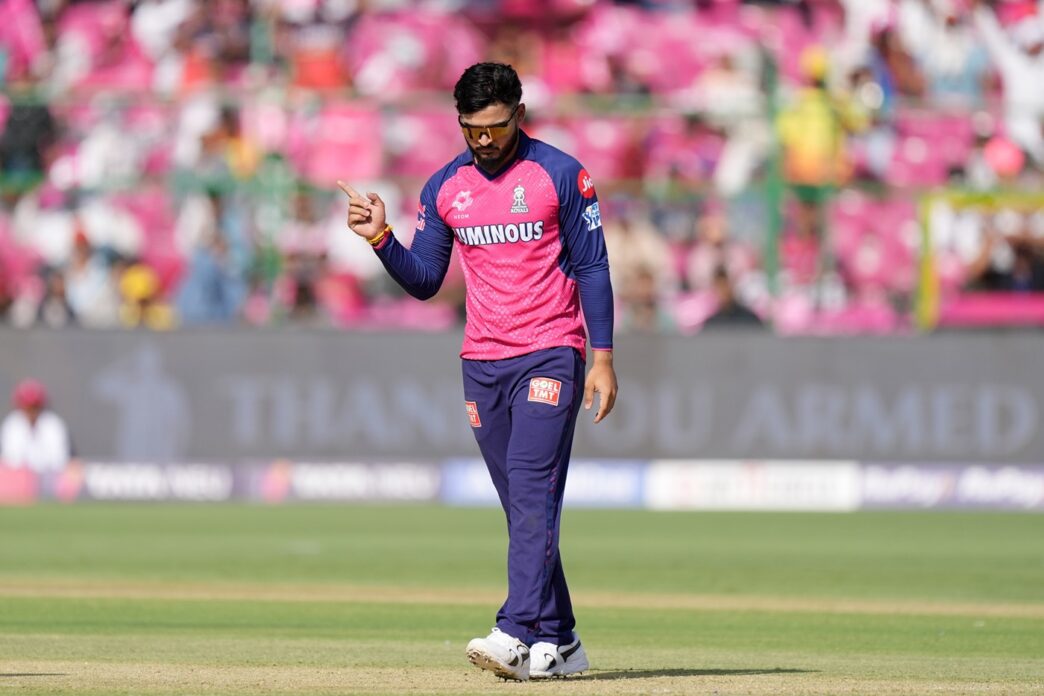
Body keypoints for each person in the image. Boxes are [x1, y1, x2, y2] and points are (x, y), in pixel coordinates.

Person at [337, 62, 617, 682]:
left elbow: (593, 267)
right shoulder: (444, 187)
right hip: (482, 361)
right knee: (524, 506)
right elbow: (425, 280)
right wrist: (381, 238)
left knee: (530, 490)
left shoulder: (560, 174)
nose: (484, 140)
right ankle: (562, 640)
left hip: (550, 349)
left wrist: (601, 357)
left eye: (495, 127)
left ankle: (515, 630)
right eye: (472, 129)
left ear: (519, 113)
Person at [0, 379, 72, 473]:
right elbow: (10, 459)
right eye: (27, 406)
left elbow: (59, 459)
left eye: (35, 406)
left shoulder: (53, 424)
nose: (31, 411)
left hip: (50, 478)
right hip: (18, 478)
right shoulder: (12, 424)